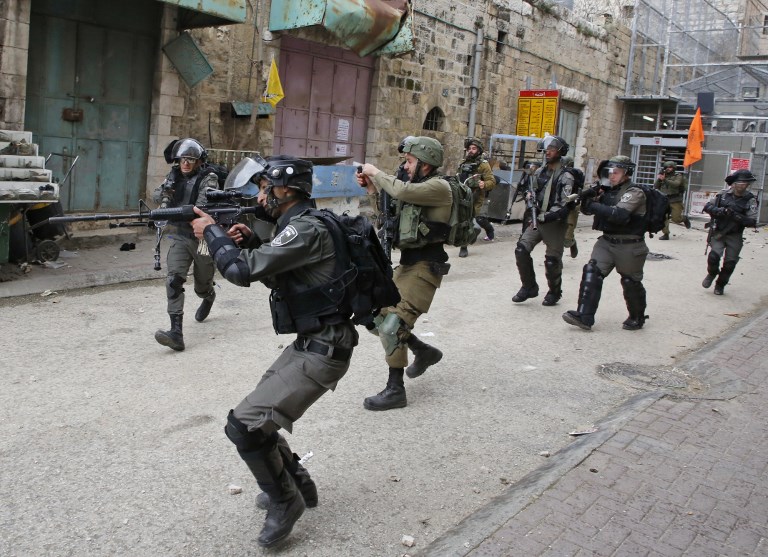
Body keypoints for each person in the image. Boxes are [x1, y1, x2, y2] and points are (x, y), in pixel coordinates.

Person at [190, 155, 357, 548]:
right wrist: (251, 241)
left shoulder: (304, 229)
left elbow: (241, 273)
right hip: (314, 342)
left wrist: (211, 233)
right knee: (260, 418)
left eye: (265, 188)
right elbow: (286, 274)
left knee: (244, 425)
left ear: (285, 190)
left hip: (323, 348)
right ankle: (298, 481)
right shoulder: (300, 225)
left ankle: (286, 501)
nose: (261, 195)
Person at [356, 136, 452, 411]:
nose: (406, 167)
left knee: (392, 326)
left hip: (425, 268)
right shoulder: (417, 187)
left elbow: (400, 191)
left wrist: (376, 172)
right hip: (407, 265)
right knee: (374, 318)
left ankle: (395, 389)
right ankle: (423, 350)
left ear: (426, 163)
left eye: (410, 161)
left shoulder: (438, 187)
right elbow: (387, 216)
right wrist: (373, 189)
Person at [562, 156, 649, 331]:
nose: (612, 176)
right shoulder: (606, 190)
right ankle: (584, 316)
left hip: (630, 245)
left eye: (616, 172)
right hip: (606, 242)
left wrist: (594, 205)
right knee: (591, 272)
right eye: (609, 172)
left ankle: (637, 316)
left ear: (627, 173)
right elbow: (588, 211)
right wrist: (586, 199)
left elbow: (620, 215)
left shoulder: (635, 192)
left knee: (630, 282)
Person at [153, 138, 221, 352]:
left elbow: (201, 206)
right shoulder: (173, 176)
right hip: (181, 236)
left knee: (201, 286)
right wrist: (166, 193)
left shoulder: (209, 178)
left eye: (191, 159)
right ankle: (176, 334)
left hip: (203, 238)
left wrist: (175, 209)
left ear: (199, 161)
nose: (186, 164)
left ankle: (208, 296)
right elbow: (156, 194)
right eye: (183, 159)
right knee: (173, 279)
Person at [512, 136, 575, 306]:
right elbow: (532, 190)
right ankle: (529, 286)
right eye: (546, 149)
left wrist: (548, 215)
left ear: (560, 151)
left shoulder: (565, 176)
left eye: (552, 149)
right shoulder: (540, 172)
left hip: (554, 222)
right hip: (536, 219)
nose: (547, 152)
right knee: (521, 250)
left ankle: (555, 291)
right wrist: (529, 196)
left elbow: (564, 203)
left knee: (552, 261)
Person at [701, 169, 759, 295]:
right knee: (713, 257)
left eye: (746, 183)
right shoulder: (722, 194)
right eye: (741, 183)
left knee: (729, 264)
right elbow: (707, 207)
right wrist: (719, 211)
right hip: (719, 232)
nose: (744, 185)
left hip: (735, 235)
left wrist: (737, 216)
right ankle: (712, 273)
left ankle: (720, 285)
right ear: (735, 183)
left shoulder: (750, 199)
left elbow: (752, 221)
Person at [456, 137, 496, 256]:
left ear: (479, 150)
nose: (471, 151)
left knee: (476, 223)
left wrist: (484, 184)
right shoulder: (463, 163)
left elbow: (492, 182)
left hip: (476, 198)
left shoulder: (484, 165)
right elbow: (457, 176)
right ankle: (463, 246)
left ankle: (470, 240)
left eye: (474, 148)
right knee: (463, 221)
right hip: (462, 196)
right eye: (469, 148)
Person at [654, 160, 691, 239]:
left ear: (673, 168)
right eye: (667, 167)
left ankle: (684, 218)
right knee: (664, 217)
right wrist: (659, 179)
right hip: (664, 200)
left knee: (676, 219)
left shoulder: (678, 176)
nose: (668, 169)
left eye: (670, 167)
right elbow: (656, 186)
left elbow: (676, 184)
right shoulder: (664, 176)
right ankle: (666, 234)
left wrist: (665, 180)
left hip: (675, 199)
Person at [511, 160, 542, 234]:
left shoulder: (541, 175)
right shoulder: (527, 175)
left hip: (541, 205)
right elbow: (522, 187)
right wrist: (526, 193)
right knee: (527, 221)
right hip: (530, 204)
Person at [561, 156, 580, 258]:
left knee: (567, 238)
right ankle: (556, 259)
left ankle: (572, 243)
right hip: (558, 207)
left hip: (571, 207)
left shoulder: (576, 175)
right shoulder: (557, 174)